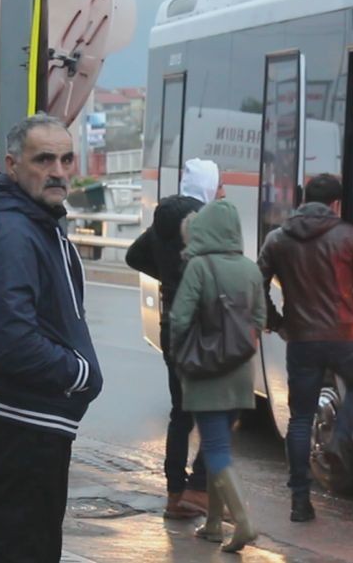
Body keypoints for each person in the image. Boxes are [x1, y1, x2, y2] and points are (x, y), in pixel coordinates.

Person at [0, 113, 103, 563]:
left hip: (31, 418)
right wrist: (80, 373)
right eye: (43, 159)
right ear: (11, 165)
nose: (58, 171)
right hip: (21, 420)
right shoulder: (12, 231)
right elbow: (12, 339)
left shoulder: (34, 223)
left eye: (65, 159)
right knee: (24, 550)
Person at [257, 173, 353, 522]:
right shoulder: (349, 236)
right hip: (344, 336)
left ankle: (299, 500)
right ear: (336, 204)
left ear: (304, 198)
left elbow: (256, 284)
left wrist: (276, 322)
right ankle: (340, 439)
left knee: (300, 419)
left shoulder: (278, 238)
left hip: (301, 340)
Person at [124, 157, 219, 518]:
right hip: (203, 328)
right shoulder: (205, 223)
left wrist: (167, 276)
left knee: (181, 414)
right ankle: (198, 489)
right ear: (209, 187)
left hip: (172, 327)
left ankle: (174, 495)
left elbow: (134, 256)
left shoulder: (162, 221)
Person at [169, 199, 266, 553]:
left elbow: (180, 319)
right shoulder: (250, 268)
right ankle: (212, 524)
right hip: (240, 374)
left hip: (205, 372)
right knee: (217, 448)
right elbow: (260, 321)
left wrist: (182, 355)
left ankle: (243, 522)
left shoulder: (198, 266)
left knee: (216, 449)